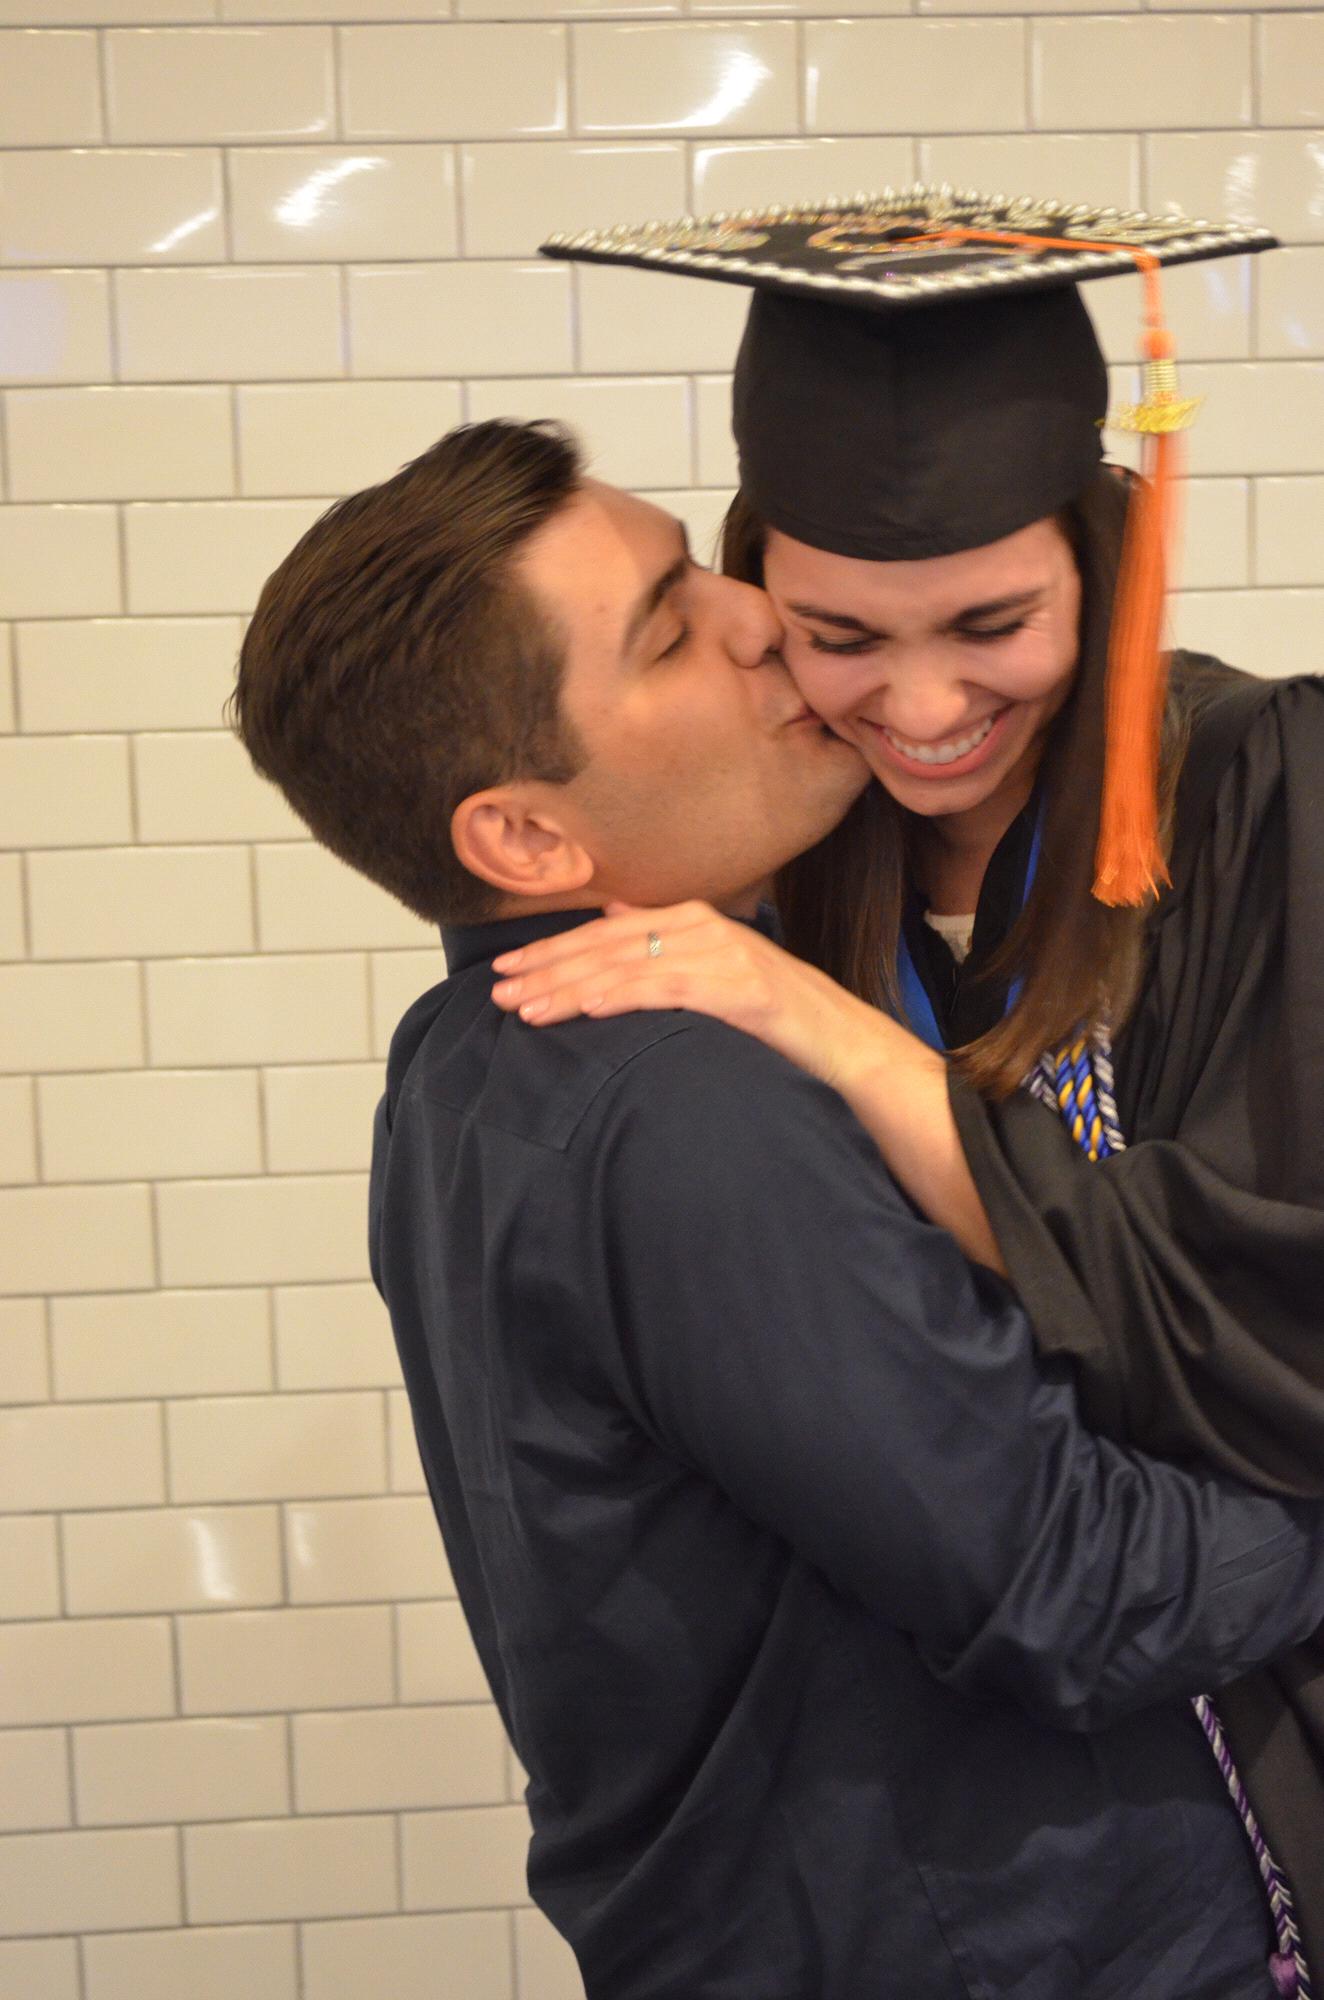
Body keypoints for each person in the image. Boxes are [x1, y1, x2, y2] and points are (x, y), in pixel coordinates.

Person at [229, 414, 1324, 2000]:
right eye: (672, 631)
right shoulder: (680, 1108)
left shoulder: (456, 1062)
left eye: (701, 570)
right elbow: (1073, 1587)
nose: (759, 626)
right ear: (525, 833)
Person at [513, 190, 1324, 1980]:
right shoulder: (776, 843)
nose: (926, 704)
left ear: (1103, 564)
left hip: (1258, 1760)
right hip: (977, 1827)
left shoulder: (1270, 797)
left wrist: (836, 1036)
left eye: (992, 621)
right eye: (841, 635)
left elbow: (1279, 1313)